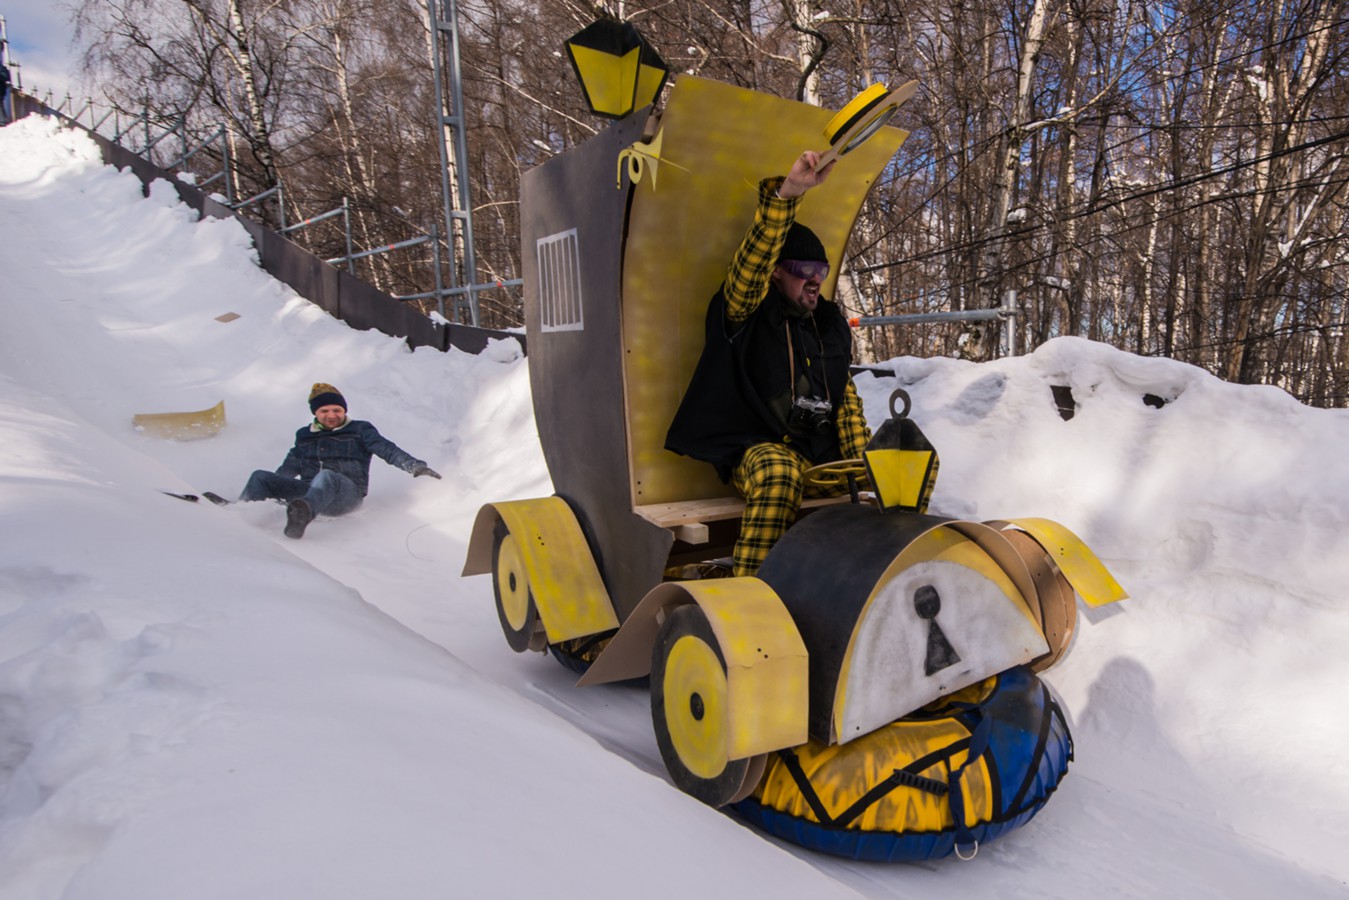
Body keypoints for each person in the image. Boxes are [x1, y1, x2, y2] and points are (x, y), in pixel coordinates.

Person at [665, 150, 871, 576]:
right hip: (761, 446)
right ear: (778, 272)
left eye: (822, 268)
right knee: (777, 472)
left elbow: (844, 400)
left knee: (910, 457)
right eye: (803, 268)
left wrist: (868, 463)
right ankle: (753, 598)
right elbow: (751, 264)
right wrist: (787, 194)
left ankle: (886, 580)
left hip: (821, 455)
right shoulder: (748, 311)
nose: (815, 278)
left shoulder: (827, 326)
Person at [240, 383, 441, 538]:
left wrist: (414, 465)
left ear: (344, 410)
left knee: (326, 477)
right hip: (310, 491)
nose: (331, 415)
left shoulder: (360, 430)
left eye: (337, 410)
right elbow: (290, 466)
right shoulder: (304, 435)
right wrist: (277, 487)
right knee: (260, 477)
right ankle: (239, 513)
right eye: (324, 411)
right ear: (315, 413)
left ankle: (302, 515)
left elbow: (386, 449)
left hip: (346, 495)